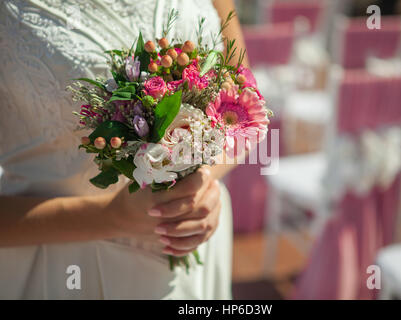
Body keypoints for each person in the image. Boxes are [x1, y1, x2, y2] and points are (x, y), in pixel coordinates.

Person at [0, 0, 248, 299]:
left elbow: (246, 104)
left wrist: (201, 182)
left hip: (197, 235)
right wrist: (111, 217)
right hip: (67, 266)